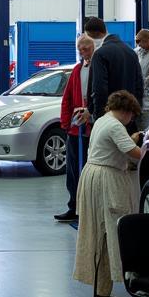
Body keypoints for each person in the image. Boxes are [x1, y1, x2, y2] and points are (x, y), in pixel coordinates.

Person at [72, 90, 143, 297]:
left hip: (92, 176)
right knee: (118, 234)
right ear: (126, 111)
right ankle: (139, 289)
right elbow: (133, 152)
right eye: (132, 115)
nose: (132, 119)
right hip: (107, 180)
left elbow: (114, 147)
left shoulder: (103, 121)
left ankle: (101, 292)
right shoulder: (115, 125)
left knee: (100, 235)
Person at [54, 34, 95, 223]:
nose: (82, 52)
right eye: (80, 49)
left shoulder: (98, 67)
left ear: (92, 48)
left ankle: (89, 209)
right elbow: (67, 98)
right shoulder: (77, 69)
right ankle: (74, 206)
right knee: (72, 171)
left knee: (89, 170)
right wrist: (65, 123)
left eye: (85, 48)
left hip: (92, 129)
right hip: (75, 129)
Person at [77, 17, 145, 130]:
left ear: (93, 34)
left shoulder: (100, 54)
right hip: (129, 117)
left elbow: (99, 89)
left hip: (110, 118)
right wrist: (134, 113)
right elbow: (139, 84)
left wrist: (98, 117)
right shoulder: (131, 52)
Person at [135, 28, 149, 129]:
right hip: (137, 99)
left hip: (148, 101)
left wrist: (144, 81)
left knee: (146, 130)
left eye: (139, 41)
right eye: (136, 41)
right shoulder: (137, 52)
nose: (138, 44)